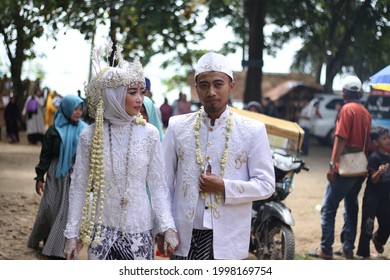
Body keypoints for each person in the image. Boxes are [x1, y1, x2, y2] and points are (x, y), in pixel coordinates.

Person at [63, 44, 178, 260]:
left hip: (140, 229)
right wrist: (71, 232)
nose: (139, 99)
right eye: (132, 92)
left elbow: (158, 186)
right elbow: (79, 186)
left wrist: (167, 226)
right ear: (113, 95)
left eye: (141, 92)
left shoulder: (150, 134)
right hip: (101, 229)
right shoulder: (90, 136)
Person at [162, 52, 275, 260]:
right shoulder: (178, 127)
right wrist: (165, 226)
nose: (211, 91)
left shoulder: (252, 130)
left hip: (229, 237)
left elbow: (266, 184)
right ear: (196, 89)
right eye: (204, 85)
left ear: (231, 86)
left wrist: (224, 186)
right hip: (185, 234)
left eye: (218, 84)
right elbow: (163, 182)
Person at [309, 75, 371, 260]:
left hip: (345, 168)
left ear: (344, 93)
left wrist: (332, 165)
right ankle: (348, 248)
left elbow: (341, 138)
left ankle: (326, 249)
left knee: (329, 207)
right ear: (358, 93)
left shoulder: (347, 109)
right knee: (351, 207)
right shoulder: (365, 112)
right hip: (361, 168)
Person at [27, 94, 87, 259]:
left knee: (66, 210)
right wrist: (40, 176)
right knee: (49, 208)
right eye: (75, 108)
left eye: (80, 109)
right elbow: (45, 155)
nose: (78, 112)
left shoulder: (84, 130)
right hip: (55, 172)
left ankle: (58, 247)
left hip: (73, 174)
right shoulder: (54, 131)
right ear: (67, 109)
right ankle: (43, 236)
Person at [356, 126, 390, 259]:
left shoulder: (389, 157)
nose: (387, 140)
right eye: (384, 138)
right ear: (376, 142)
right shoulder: (374, 158)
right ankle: (364, 253)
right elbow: (373, 180)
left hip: (385, 197)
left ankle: (378, 239)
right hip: (372, 197)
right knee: (367, 224)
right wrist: (379, 172)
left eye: (388, 138)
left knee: (387, 223)